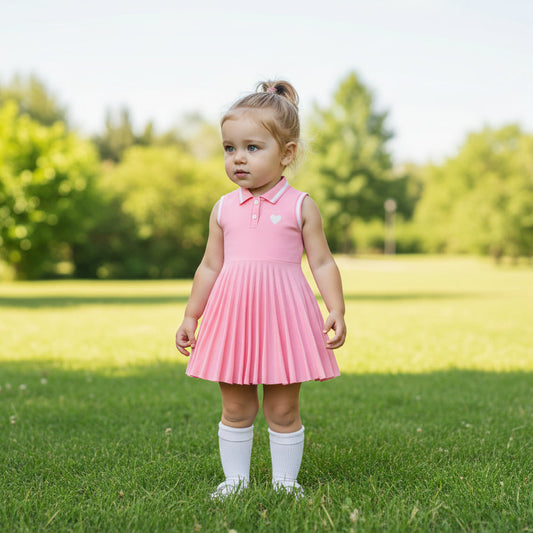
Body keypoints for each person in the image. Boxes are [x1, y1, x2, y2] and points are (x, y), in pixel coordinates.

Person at [176, 80, 346, 499]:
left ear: (287, 154)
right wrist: (191, 315)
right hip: (232, 318)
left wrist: (336, 308)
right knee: (235, 406)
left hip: (285, 319)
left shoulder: (300, 205)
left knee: (282, 408)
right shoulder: (223, 208)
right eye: (230, 148)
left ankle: (285, 484)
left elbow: (322, 261)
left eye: (252, 148)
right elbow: (210, 265)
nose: (238, 159)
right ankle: (235, 481)